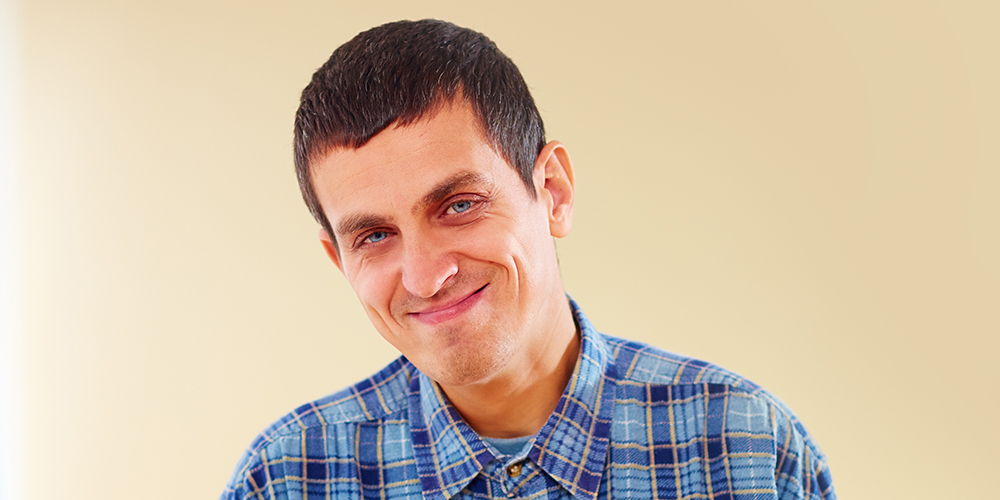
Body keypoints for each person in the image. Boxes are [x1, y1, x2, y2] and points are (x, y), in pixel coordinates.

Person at [221, 19, 835, 500]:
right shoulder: (286, 479)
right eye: (375, 236)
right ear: (339, 261)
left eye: (459, 205)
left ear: (554, 193)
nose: (425, 275)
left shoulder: (746, 449)